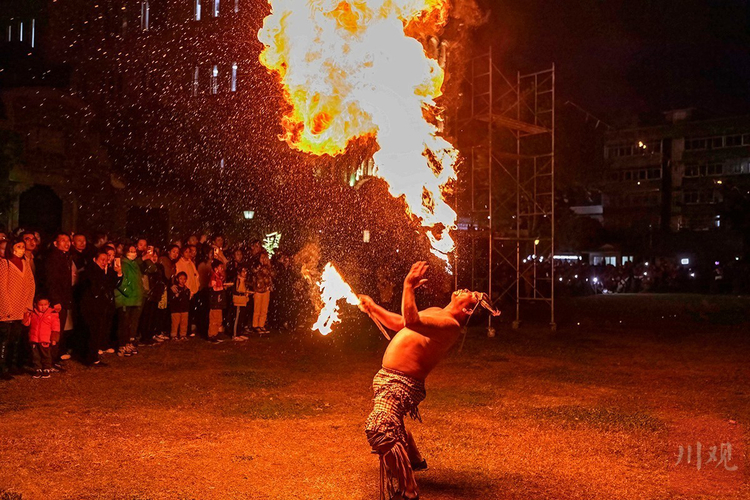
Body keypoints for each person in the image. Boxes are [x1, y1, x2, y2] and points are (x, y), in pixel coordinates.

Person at [357, 262, 482, 500]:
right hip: (389, 380)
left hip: (401, 384)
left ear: (468, 311)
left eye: (472, 296)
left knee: (380, 428)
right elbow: (401, 322)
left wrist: (408, 286)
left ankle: (409, 490)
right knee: (392, 423)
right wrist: (374, 308)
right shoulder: (438, 311)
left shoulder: (450, 325)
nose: (468, 290)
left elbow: (412, 321)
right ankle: (413, 459)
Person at [0, 238, 36, 379]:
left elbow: (30, 283)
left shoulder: (24, 263)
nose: (21, 249)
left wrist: (28, 304)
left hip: (21, 308)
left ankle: (13, 365)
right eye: (18, 246)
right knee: (4, 340)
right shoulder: (4, 264)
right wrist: (6, 306)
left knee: (16, 340)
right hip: (7, 309)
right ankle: (2, 368)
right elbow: (2, 287)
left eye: (22, 246)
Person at [79, 249, 122, 365]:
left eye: (106, 260)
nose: (105, 262)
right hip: (92, 307)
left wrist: (117, 273)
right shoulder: (92, 271)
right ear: (95, 259)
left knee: (96, 331)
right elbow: (100, 286)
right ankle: (91, 358)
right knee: (92, 332)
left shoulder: (101, 271)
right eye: (102, 260)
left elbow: (111, 285)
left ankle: (93, 357)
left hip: (99, 306)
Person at [44, 233, 74, 363]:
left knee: (59, 330)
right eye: (63, 240)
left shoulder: (63, 257)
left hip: (63, 299)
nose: (67, 243)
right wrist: (55, 300)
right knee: (55, 331)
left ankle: (54, 358)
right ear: (55, 243)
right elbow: (51, 281)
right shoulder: (53, 258)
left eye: (68, 240)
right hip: (58, 300)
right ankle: (50, 359)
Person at [114, 244, 144, 357]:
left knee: (130, 323)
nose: (133, 253)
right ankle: (122, 345)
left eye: (134, 251)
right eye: (130, 250)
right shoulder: (123, 264)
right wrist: (127, 291)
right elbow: (121, 280)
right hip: (125, 298)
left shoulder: (134, 264)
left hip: (134, 297)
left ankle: (128, 343)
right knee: (124, 324)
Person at [23, 297, 60, 378]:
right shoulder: (33, 313)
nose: (43, 307)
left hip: (45, 339)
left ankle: (46, 368)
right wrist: (26, 315)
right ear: (36, 305)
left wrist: (54, 339)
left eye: (45, 305)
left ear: (49, 304)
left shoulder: (52, 314)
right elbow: (26, 324)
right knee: (36, 356)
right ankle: (37, 369)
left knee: (46, 355)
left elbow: (56, 328)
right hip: (34, 339)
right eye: (41, 305)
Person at [251, 252, 273, 334]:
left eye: (265, 257)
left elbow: (272, 275)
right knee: (257, 309)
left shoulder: (268, 268)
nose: (264, 259)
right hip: (258, 290)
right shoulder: (256, 267)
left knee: (264, 308)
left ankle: (261, 324)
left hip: (266, 290)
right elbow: (254, 275)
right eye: (262, 257)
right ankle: (255, 325)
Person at [207, 260, 229, 342]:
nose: (222, 269)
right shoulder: (214, 276)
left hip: (218, 300)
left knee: (218, 317)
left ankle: (215, 334)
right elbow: (213, 287)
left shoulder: (219, 276)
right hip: (215, 300)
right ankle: (211, 335)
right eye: (220, 267)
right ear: (216, 268)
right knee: (214, 318)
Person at [231, 266, 252, 340]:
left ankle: (239, 333)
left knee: (241, 318)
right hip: (238, 301)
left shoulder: (244, 281)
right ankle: (235, 334)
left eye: (246, 271)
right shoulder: (237, 280)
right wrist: (243, 293)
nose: (245, 273)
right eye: (243, 271)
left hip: (243, 301)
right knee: (237, 318)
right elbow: (237, 290)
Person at [169, 272, 191, 340]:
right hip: (176, 309)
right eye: (180, 278)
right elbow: (171, 299)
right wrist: (175, 297)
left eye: (184, 279)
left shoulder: (186, 289)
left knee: (184, 323)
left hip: (184, 309)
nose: (182, 280)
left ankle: (183, 335)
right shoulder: (175, 288)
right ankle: (174, 335)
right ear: (177, 279)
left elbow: (187, 299)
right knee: (175, 323)